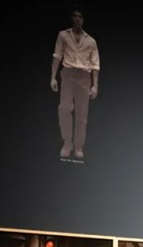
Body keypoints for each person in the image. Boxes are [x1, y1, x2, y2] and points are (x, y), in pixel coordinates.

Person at [51, 9, 100, 160]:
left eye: (80, 16)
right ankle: (67, 143)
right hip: (68, 74)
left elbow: (95, 65)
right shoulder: (63, 35)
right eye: (75, 16)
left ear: (83, 19)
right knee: (64, 108)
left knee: (82, 114)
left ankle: (78, 146)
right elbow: (57, 56)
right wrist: (53, 77)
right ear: (71, 18)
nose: (77, 19)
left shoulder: (91, 41)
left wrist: (95, 85)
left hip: (84, 77)